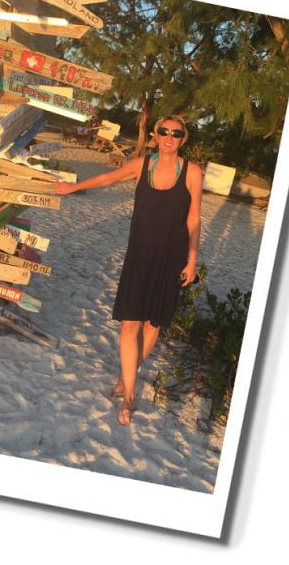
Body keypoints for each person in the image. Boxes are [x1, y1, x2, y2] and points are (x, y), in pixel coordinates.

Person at [55, 115, 202, 426]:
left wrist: (191, 258)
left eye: (176, 133)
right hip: (139, 256)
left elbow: (194, 218)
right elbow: (109, 178)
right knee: (129, 326)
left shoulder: (192, 173)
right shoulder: (142, 165)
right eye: (163, 131)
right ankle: (129, 396)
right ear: (154, 134)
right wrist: (73, 187)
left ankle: (128, 377)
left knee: (152, 326)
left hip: (171, 257)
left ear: (183, 138)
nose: (169, 137)